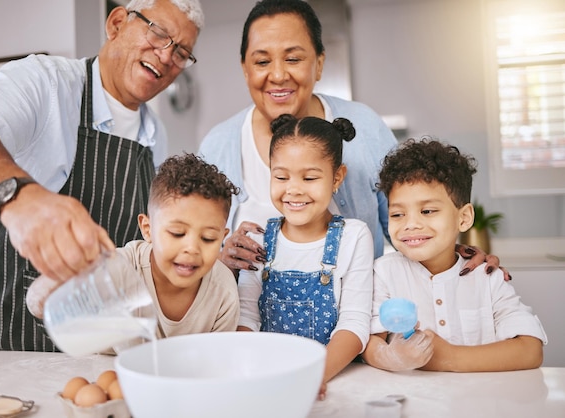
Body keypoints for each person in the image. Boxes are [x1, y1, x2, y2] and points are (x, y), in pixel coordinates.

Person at [0, 0, 204, 350]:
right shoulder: (45, 82)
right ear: (117, 23)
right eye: (159, 34)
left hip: (79, 338)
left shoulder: (155, 137)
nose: (168, 56)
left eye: (182, 52)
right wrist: (22, 200)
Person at [198, 0, 501, 278]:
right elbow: (193, 251)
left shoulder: (365, 126)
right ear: (245, 69)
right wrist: (219, 257)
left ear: (319, 63)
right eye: (262, 62)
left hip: (359, 327)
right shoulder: (218, 145)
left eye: (293, 58)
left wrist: (451, 256)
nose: (277, 75)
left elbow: (409, 221)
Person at [362, 138, 547, 372]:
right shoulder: (384, 273)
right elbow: (369, 344)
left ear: (464, 218)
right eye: (397, 214)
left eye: (427, 211)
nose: (410, 224)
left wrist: (449, 357)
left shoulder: (487, 278)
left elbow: (530, 350)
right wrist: (391, 357)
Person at [27, 153, 241, 340]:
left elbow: (215, 365)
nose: (192, 248)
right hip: (104, 376)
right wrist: (72, 270)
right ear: (147, 230)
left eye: (208, 238)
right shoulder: (120, 268)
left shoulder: (222, 292)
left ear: (222, 237)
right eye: (177, 233)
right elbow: (36, 303)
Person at [237, 114, 373, 399]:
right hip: (264, 379)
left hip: (329, 382)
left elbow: (354, 324)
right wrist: (249, 370)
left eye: (309, 177)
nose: (294, 189)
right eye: (281, 176)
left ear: (337, 177)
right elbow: (247, 317)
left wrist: (313, 376)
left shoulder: (354, 236)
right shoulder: (259, 240)